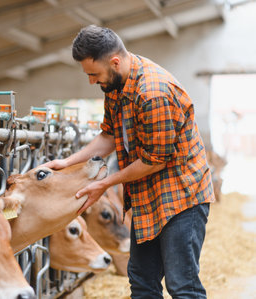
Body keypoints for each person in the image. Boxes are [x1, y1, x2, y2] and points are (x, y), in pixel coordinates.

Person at [43, 25, 215, 298]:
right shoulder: (114, 85)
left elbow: (155, 160)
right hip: (148, 196)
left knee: (182, 285)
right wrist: (68, 162)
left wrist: (105, 184)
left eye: (93, 74)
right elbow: (109, 136)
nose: (91, 81)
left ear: (114, 62)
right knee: (142, 281)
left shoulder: (153, 92)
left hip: (181, 197)